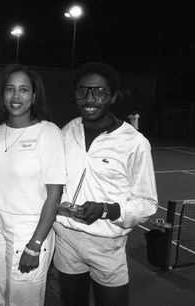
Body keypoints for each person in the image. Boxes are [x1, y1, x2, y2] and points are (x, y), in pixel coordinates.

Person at [53, 62, 158, 306]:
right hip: (65, 240)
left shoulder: (134, 143)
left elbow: (148, 203)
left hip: (107, 246)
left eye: (99, 92)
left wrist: (105, 209)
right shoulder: (67, 131)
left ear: (113, 97)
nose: (89, 99)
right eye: (83, 91)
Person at [0, 64, 65, 305]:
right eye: (10, 89)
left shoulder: (48, 133)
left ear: (34, 96)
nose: (16, 97)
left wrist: (35, 244)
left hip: (28, 226)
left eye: (24, 90)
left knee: (22, 299)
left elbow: (54, 195)